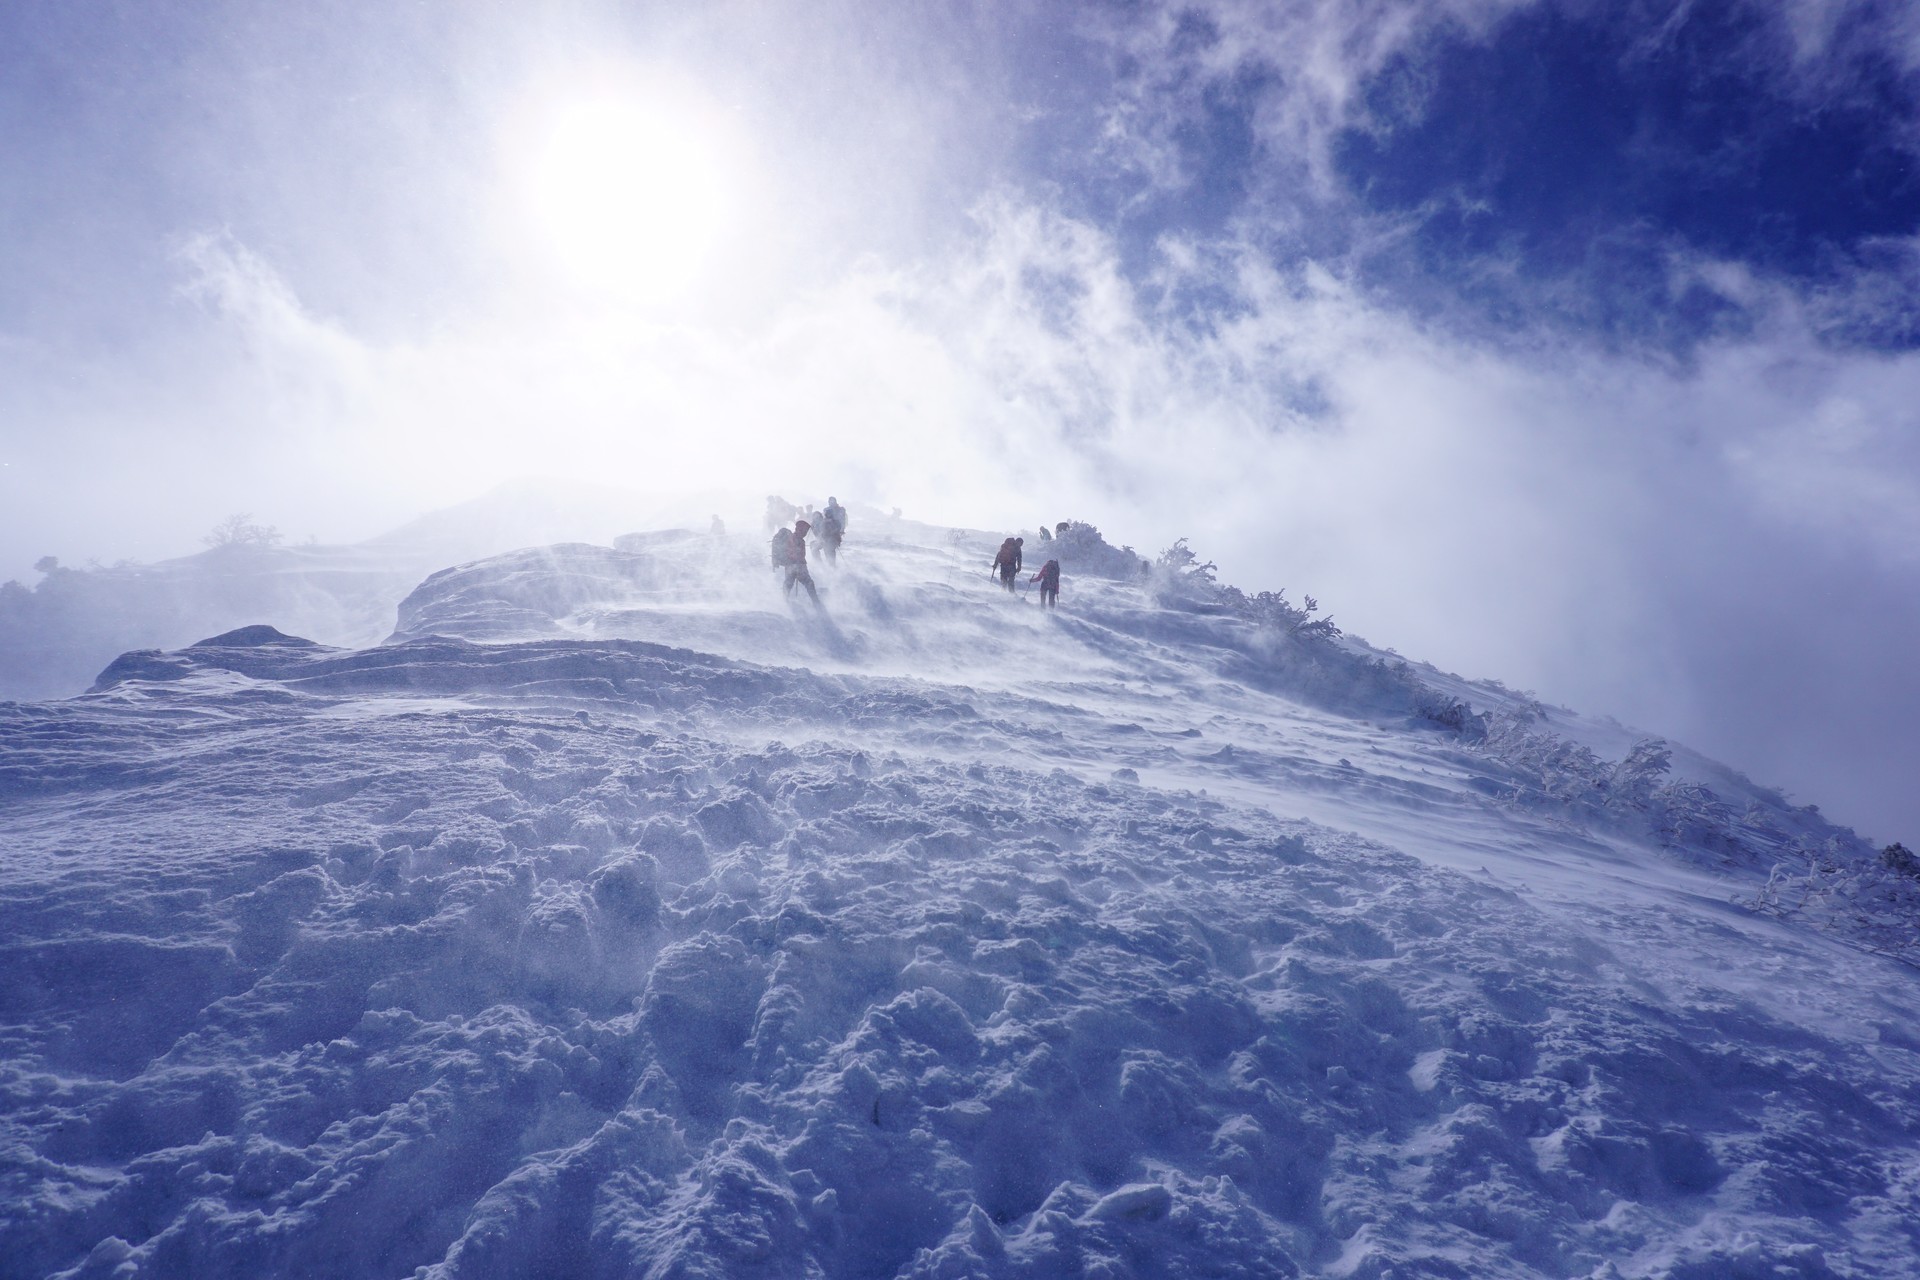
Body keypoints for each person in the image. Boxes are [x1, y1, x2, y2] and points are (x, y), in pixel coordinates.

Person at [781, 519, 820, 604]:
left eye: (806, 531)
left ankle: (784, 602)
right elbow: (794, 554)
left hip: (791, 566)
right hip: (797, 566)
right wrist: (798, 564)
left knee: (788, 584)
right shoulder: (796, 539)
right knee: (809, 583)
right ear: (799, 529)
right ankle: (816, 602)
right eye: (804, 530)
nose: (805, 533)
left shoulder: (796, 538)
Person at [819, 496, 847, 564]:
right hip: (826, 535)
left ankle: (832, 565)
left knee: (831, 548)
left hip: (834, 534)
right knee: (826, 549)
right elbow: (822, 522)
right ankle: (829, 565)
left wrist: (841, 529)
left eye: (832, 501)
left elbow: (843, 520)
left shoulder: (840, 509)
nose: (831, 502)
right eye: (830, 501)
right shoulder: (826, 510)